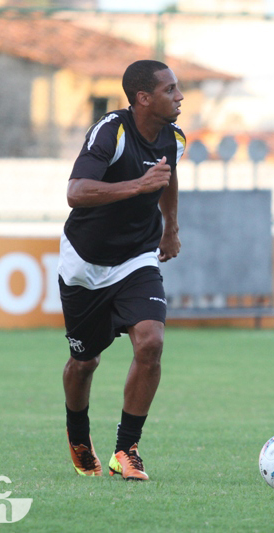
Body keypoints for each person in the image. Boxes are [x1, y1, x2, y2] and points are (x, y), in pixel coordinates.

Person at [59, 59, 185, 481]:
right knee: (84, 362)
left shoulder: (174, 137)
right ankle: (78, 435)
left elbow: (168, 177)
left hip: (137, 258)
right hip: (85, 263)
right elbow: (75, 193)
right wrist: (138, 185)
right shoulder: (110, 130)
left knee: (150, 342)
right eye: (170, 90)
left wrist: (171, 228)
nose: (180, 96)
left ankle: (126, 450)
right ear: (143, 99)